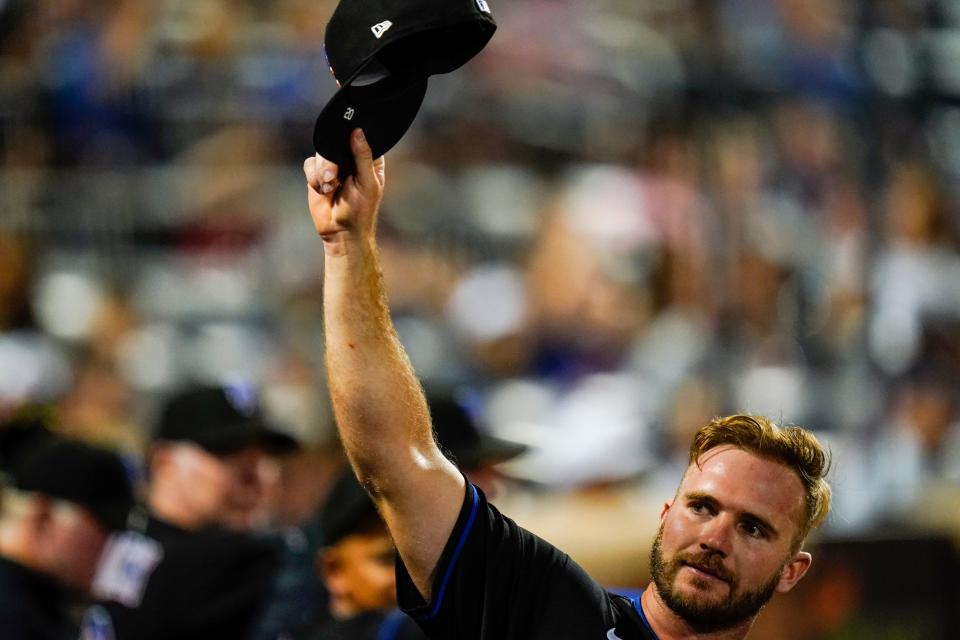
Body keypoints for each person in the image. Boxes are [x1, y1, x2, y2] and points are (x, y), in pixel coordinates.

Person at [303, 129, 832, 639]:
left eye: (754, 528)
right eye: (702, 507)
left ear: (792, 571)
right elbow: (396, 459)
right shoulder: (551, 607)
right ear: (666, 514)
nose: (715, 539)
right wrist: (347, 246)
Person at [88, 383, 298, 640]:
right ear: (164, 462)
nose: (261, 477)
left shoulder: (128, 539)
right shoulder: (203, 565)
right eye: (229, 455)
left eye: (266, 459)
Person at [0, 420, 134, 640]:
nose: (113, 543)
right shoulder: (11, 612)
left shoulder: (39, 599)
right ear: (42, 514)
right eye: (105, 525)